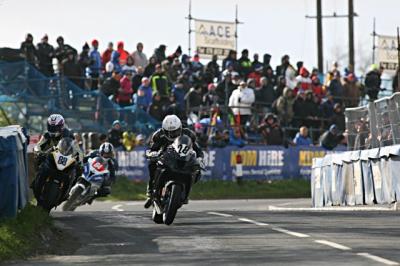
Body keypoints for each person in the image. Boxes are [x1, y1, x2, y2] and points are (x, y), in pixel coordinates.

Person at [144, 115, 204, 208]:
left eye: (176, 131)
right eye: (170, 132)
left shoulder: (188, 134)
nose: (173, 134)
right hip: (165, 158)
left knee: (197, 170)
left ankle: (185, 192)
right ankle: (151, 190)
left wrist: (200, 158)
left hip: (183, 159)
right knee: (152, 164)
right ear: (164, 130)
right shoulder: (158, 135)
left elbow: (198, 149)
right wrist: (152, 154)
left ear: (180, 128)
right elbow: (151, 149)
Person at [32, 114, 82, 199]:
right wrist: (38, 152)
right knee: (39, 162)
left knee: (77, 170)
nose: (52, 130)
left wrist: (80, 160)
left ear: (61, 126)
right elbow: (38, 145)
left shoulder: (69, 134)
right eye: (51, 127)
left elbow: (78, 150)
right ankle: (35, 182)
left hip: (65, 157)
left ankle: (69, 190)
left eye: (55, 128)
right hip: (51, 155)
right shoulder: (47, 135)